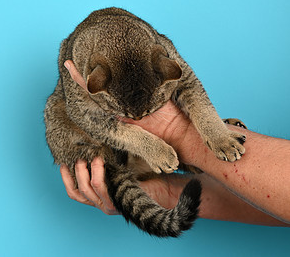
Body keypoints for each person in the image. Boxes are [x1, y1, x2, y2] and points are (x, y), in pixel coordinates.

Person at [60, 60, 290, 227]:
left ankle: (185, 155)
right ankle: (183, 159)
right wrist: (169, 193)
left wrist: (178, 132)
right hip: (104, 150)